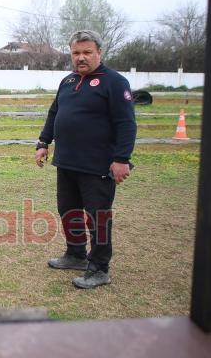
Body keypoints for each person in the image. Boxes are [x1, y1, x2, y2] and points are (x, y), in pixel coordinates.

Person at [35, 30, 136, 289]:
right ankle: (76, 254)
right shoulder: (67, 81)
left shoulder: (114, 82)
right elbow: (54, 112)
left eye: (87, 52)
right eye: (76, 53)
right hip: (67, 161)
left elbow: (126, 124)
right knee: (68, 211)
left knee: (98, 217)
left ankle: (100, 268)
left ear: (99, 53)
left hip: (98, 166)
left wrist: (121, 159)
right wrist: (43, 143)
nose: (81, 58)